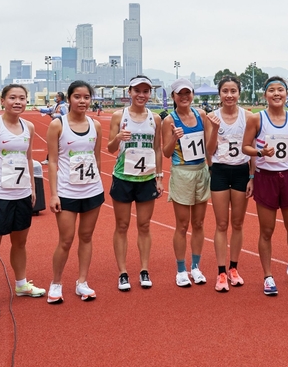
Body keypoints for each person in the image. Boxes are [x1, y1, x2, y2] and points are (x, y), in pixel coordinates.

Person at [0, 84, 45, 318]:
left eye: (22, 98)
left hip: (22, 194)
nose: (18, 102)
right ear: (3, 100)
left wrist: (33, 189)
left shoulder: (30, 127)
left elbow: (28, 158)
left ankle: (22, 284)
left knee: (20, 243)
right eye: (13, 98)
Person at [242, 76, 288, 296]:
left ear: (287, 94)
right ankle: (268, 275)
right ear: (265, 95)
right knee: (266, 230)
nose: (276, 94)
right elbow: (245, 147)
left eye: (281, 90)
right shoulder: (256, 119)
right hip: (265, 178)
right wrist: (260, 153)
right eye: (271, 91)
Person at [46, 81, 104, 303]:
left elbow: (96, 158)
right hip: (67, 192)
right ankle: (56, 282)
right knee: (66, 240)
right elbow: (52, 161)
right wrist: (53, 193)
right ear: (68, 98)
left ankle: (82, 281)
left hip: (92, 190)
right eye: (77, 97)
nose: (82, 101)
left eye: (86, 97)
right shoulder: (58, 125)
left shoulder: (95, 125)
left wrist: (97, 182)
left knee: (87, 237)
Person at [108, 75, 164, 291]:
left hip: (147, 178)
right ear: (129, 92)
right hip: (123, 177)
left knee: (144, 225)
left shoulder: (155, 118)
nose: (141, 95)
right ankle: (122, 272)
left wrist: (159, 177)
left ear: (150, 94)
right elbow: (111, 148)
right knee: (122, 226)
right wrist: (119, 137)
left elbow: (158, 149)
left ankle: (144, 269)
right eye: (137, 91)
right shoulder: (118, 116)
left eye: (145, 91)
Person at [162, 78, 213, 287]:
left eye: (187, 93)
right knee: (182, 225)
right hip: (182, 173)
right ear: (173, 96)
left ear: (192, 94)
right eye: (179, 93)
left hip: (201, 171)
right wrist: (174, 137)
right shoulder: (169, 120)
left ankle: (196, 266)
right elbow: (166, 152)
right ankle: (181, 269)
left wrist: (212, 169)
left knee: (199, 223)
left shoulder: (201, 114)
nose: (184, 97)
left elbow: (209, 146)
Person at [206, 76, 254, 292]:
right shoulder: (212, 117)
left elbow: (252, 148)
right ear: (220, 94)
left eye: (233, 91)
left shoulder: (249, 117)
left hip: (241, 171)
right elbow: (209, 150)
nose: (229, 95)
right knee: (221, 224)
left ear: (239, 93)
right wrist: (215, 129)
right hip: (220, 171)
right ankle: (221, 272)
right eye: (225, 91)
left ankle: (234, 268)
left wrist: (252, 176)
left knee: (238, 223)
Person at [41, 92, 69, 164]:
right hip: (56, 126)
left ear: (60, 98)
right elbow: (49, 110)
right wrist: (39, 109)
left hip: (62, 126)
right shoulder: (56, 105)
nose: (55, 98)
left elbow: (65, 115)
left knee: (59, 143)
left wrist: (54, 115)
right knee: (54, 143)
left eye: (56, 97)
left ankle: (51, 159)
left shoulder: (64, 106)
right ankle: (50, 159)